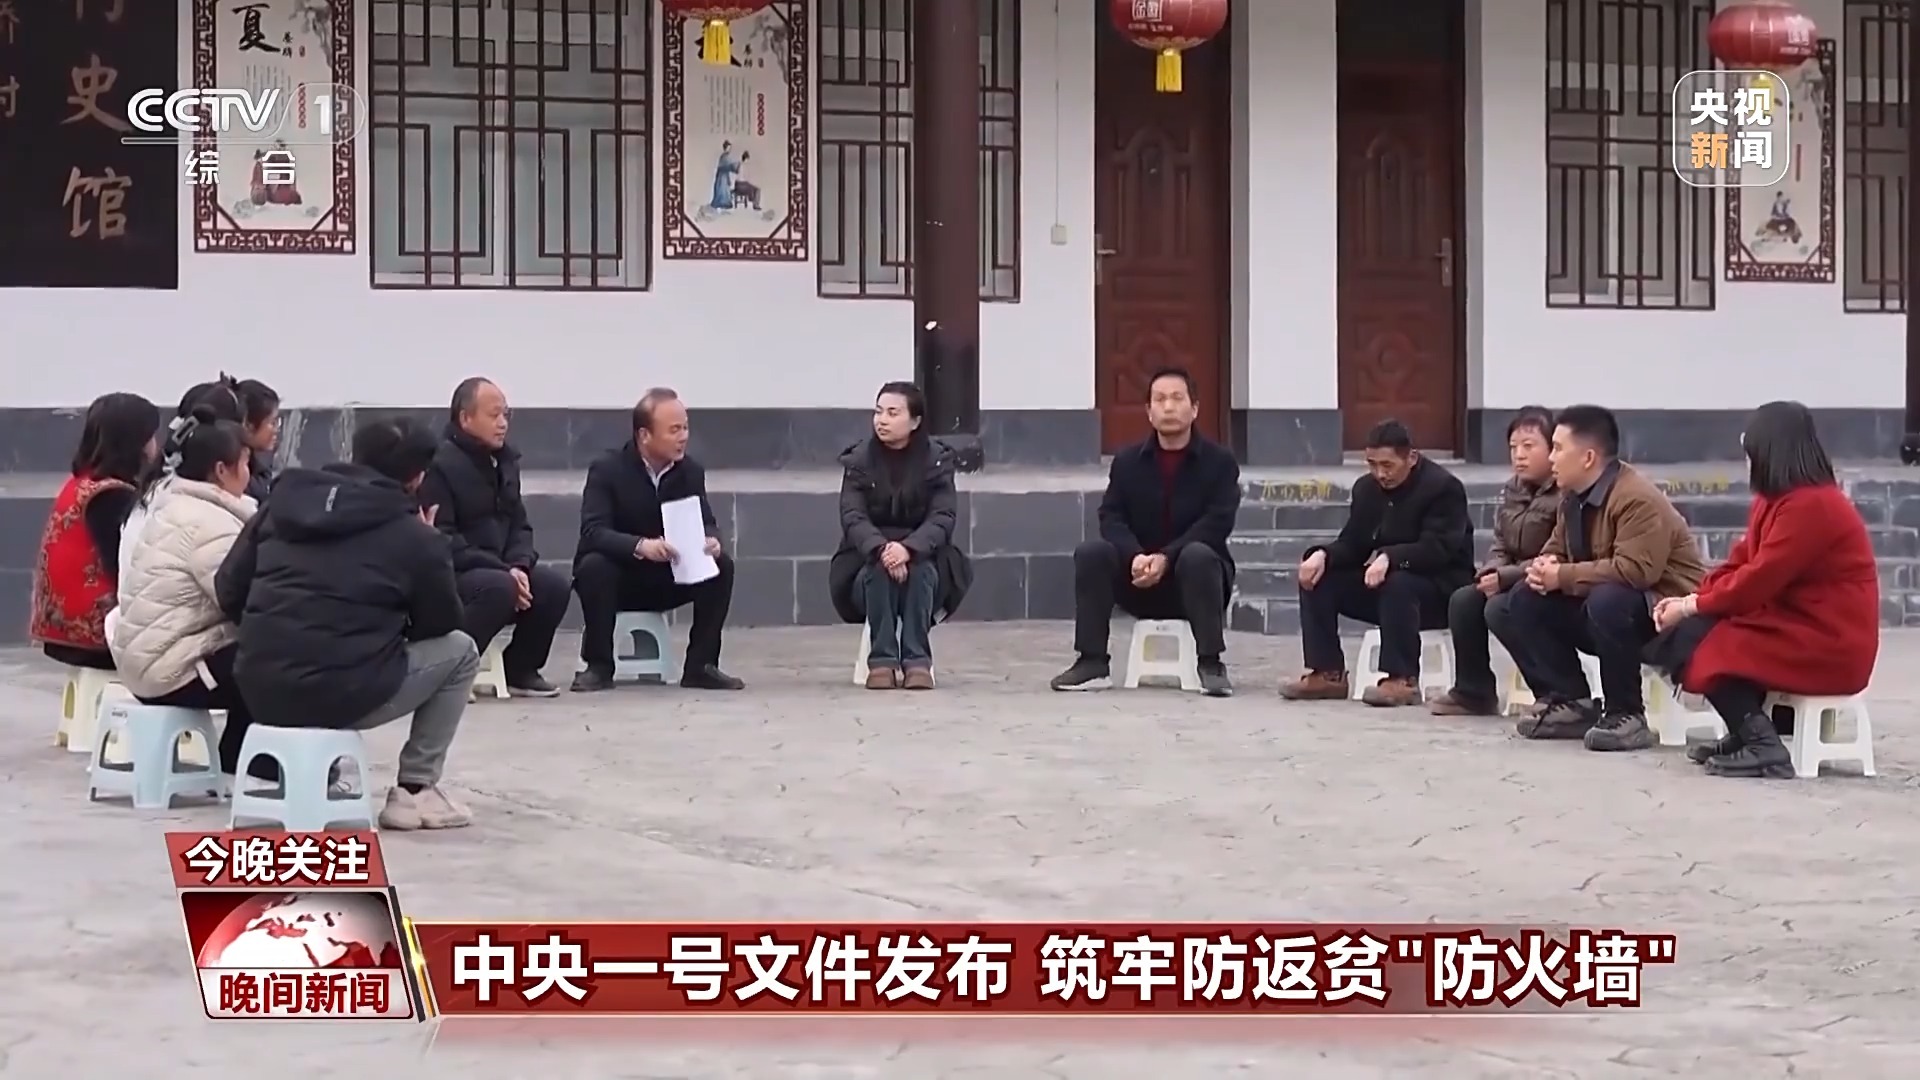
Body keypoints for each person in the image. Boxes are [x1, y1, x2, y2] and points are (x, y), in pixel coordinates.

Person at [215, 417, 478, 831]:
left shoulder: (279, 507)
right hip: (341, 694)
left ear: (354, 456)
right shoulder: (416, 537)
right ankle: (415, 790)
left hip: (257, 688)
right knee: (461, 651)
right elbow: (440, 623)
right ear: (417, 477)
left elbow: (229, 589)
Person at [1645, 402, 1878, 778]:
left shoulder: (1813, 506)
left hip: (1828, 640)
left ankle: (1763, 744)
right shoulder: (1776, 502)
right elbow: (1740, 564)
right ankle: (1747, 733)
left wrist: (1691, 607)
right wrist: (1693, 600)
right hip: (1795, 626)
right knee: (1694, 633)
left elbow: (1756, 581)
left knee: (1706, 643)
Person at [1491, 404, 1707, 751]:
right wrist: (1544, 567)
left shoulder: (1636, 498)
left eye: (1557, 448)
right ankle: (1571, 701)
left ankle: (1626, 714)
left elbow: (1635, 572)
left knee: (1609, 598)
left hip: (1666, 615)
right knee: (1519, 599)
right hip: (1606, 611)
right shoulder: (1572, 497)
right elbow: (1557, 549)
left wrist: (1562, 575)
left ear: (1588, 457)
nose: (1552, 458)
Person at [1051, 367, 1239, 697]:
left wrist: (1167, 558)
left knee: (1198, 555)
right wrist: (1135, 556)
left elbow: (1217, 522)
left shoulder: (1220, 462)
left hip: (1197, 582)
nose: (1169, 407)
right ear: (1149, 412)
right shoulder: (1127, 461)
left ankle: (1210, 663)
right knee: (1092, 553)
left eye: (1177, 398)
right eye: (1160, 400)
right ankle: (1092, 662)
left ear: (1195, 408)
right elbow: (1111, 516)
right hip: (1138, 580)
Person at [108, 406, 263, 778]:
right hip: (168, 671)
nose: (250, 473)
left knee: (259, 654)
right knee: (273, 664)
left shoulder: (175, 505)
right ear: (221, 470)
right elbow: (238, 597)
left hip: (147, 659)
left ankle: (240, 752)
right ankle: (251, 758)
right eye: (245, 463)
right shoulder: (209, 523)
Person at [1281, 420, 1474, 707]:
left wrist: (1389, 557)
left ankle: (1402, 679)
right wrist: (1323, 555)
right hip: (1388, 590)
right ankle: (1327, 672)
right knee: (1320, 577)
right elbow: (1354, 544)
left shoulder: (1443, 488)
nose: (1380, 474)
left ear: (1411, 457)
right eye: (1372, 465)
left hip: (1441, 591)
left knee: (1398, 582)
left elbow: (1439, 549)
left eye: (1388, 465)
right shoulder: (1367, 489)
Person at [571, 388, 744, 692]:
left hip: (668, 576)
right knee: (595, 567)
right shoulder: (607, 470)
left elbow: (706, 521)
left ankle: (701, 666)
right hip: (620, 578)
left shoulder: (690, 472)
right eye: (674, 430)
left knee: (722, 566)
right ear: (644, 435)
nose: (683, 437)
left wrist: (712, 540)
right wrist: (641, 546)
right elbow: (593, 531)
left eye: (685, 428)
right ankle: (598, 666)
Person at [415, 377, 568, 697]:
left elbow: (520, 525)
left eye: (505, 415)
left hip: (501, 570)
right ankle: (450, 672)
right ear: (465, 418)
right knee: (499, 587)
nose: (502, 424)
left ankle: (520, 669)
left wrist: (520, 566)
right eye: (493, 415)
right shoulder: (438, 466)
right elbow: (442, 538)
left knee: (552, 587)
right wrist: (504, 571)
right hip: (457, 573)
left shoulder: (505, 462)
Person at [828, 381, 973, 689]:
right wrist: (883, 550)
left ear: (915, 421)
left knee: (921, 572)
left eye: (892, 413)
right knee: (879, 572)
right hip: (867, 561)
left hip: (925, 558)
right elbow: (853, 517)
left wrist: (908, 549)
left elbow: (943, 517)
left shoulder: (937, 461)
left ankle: (917, 661)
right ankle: (881, 662)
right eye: (878, 412)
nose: (882, 420)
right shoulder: (859, 461)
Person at [1429, 407, 1560, 716]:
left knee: (1502, 608)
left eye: (1529, 446)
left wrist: (1506, 577)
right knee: (1464, 599)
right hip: (1513, 575)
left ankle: (1552, 692)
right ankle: (1473, 691)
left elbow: (1558, 552)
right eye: (1513, 447)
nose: (1519, 455)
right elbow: (1501, 540)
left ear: (1553, 448)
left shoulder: (1564, 492)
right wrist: (1492, 571)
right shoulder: (1514, 488)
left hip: (1546, 578)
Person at [30, 392, 161, 671]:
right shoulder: (111, 495)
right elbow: (126, 568)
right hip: (94, 636)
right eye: (150, 437)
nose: (155, 445)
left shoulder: (81, 482)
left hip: (62, 630)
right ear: (134, 443)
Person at [231, 376, 281, 503]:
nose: (277, 430)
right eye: (272, 423)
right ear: (248, 426)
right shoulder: (235, 472)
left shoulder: (258, 460)